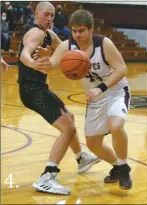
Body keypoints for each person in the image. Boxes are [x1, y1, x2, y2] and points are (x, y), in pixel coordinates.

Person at [35, 9, 132, 190]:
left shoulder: (104, 44)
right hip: (95, 99)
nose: (77, 35)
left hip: (115, 92)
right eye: (74, 31)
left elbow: (122, 69)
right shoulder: (67, 46)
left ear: (91, 29)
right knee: (93, 144)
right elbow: (52, 65)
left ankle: (125, 166)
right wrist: (43, 59)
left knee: (116, 125)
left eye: (81, 30)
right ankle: (118, 166)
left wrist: (101, 87)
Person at [17, 3, 100, 195]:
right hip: (31, 89)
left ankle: (81, 158)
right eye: (46, 14)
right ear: (36, 14)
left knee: (69, 117)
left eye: (52, 15)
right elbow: (23, 54)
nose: (50, 19)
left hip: (38, 88)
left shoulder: (48, 33)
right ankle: (48, 176)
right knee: (68, 128)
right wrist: (33, 63)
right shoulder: (36, 33)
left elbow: (67, 46)